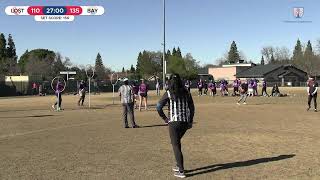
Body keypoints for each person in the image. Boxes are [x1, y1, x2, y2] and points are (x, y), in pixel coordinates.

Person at [156, 73, 195, 179]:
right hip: (184, 122)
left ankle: (181, 171)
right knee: (177, 142)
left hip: (174, 122)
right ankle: (179, 165)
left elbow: (159, 106)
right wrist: (190, 121)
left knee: (175, 145)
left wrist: (165, 118)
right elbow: (192, 108)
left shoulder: (168, 93)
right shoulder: (187, 92)